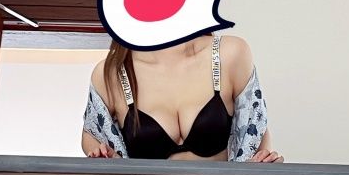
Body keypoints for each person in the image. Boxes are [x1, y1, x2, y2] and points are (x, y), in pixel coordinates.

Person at [81, 32, 283, 162]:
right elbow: (92, 136)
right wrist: (106, 157)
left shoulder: (229, 53)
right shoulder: (111, 73)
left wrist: (260, 167)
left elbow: (256, 128)